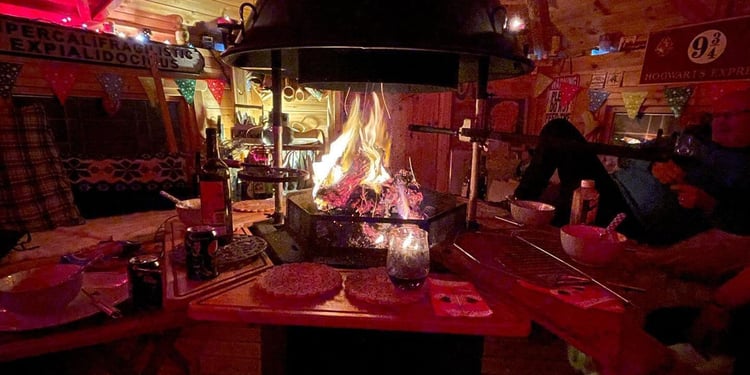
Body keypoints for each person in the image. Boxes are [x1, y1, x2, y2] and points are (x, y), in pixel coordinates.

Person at [513, 89, 750, 246]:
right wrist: (651, 165)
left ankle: (527, 213)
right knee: (559, 131)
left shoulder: (744, 168)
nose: (720, 122)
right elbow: (628, 156)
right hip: (609, 190)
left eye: (730, 116)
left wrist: (707, 202)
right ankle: (519, 207)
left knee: (559, 133)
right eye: (717, 115)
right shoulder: (693, 139)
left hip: (634, 221)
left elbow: (740, 224)